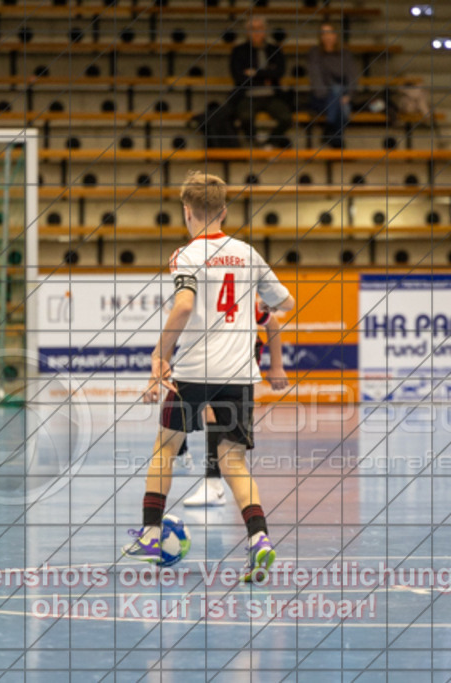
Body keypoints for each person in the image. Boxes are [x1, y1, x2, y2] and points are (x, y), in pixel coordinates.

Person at [123, 170, 295, 581]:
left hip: (194, 372)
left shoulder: (187, 255)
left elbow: (183, 307)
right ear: (224, 211)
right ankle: (259, 540)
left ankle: (150, 532)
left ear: (187, 211)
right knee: (233, 460)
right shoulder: (249, 253)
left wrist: (157, 356)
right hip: (238, 375)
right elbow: (286, 303)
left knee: (165, 449)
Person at [182, 306, 288, 507]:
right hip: (213, 351)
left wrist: (277, 366)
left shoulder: (235, 293)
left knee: (216, 412)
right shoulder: (198, 292)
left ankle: (213, 482)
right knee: (205, 409)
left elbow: (272, 322)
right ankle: (208, 478)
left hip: (240, 354)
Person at [230, 16, 293, 149]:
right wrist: (266, 74)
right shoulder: (238, 51)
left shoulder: (274, 49)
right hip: (247, 95)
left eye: (260, 28)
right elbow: (238, 76)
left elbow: (279, 72)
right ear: (247, 32)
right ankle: (255, 143)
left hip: (272, 95)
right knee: (245, 117)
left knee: (286, 118)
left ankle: (269, 143)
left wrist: (254, 73)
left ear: (265, 30)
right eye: (253, 29)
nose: (257, 32)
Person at [307, 22, 359, 149]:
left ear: (335, 35)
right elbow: (316, 78)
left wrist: (348, 95)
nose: (327, 36)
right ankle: (337, 140)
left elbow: (352, 76)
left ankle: (330, 131)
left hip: (343, 96)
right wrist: (333, 97)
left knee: (343, 103)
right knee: (339, 98)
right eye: (323, 33)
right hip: (321, 98)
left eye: (329, 33)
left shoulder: (345, 54)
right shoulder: (315, 53)